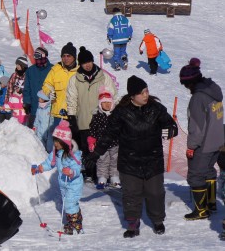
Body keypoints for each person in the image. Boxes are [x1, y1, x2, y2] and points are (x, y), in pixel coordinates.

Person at [86, 76, 177, 237]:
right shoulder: (121, 112)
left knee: (155, 193)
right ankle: (132, 223)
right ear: (133, 96)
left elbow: (171, 125)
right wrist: (96, 154)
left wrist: (170, 130)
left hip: (152, 159)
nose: (145, 95)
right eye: (142, 93)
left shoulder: (156, 108)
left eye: (147, 91)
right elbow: (108, 134)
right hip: (129, 161)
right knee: (131, 194)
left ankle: (157, 220)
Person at [179, 58, 225, 220]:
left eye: (185, 84)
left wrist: (191, 146)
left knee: (195, 175)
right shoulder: (213, 89)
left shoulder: (198, 98)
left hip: (204, 143)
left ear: (189, 83)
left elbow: (197, 127)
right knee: (209, 170)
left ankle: (201, 210)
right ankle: (211, 203)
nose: (186, 88)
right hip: (219, 139)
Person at [66, 46, 117, 177]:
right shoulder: (75, 79)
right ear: (80, 64)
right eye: (84, 63)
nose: (87, 65)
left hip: (102, 120)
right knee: (86, 147)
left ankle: (104, 175)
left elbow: (112, 95)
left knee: (104, 149)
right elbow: (71, 98)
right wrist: (71, 116)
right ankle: (90, 173)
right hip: (84, 120)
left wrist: (112, 113)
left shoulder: (103, 77)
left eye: (89, 62)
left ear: (93, 61)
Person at [31, 120, 84, 234]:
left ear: (65, 142)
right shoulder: (56, 152)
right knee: (68, 203)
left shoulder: (74, 154)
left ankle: (75, 223)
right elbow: (50, 162)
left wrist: (70, 172)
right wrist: (40, 168)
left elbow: (77, 169)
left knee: (70, 203)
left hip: (74, 183)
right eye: (55, 140)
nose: (55, 144)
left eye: (58, 141)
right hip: (63, 183)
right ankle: (74, 221)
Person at [88, 89, 119, 189]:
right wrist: (92, 141)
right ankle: (102, 178)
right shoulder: (97, 116)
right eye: (104, 103)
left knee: (115, 160)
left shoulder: (116, 115)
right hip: (101, 145)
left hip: (115, 143)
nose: (107, 105)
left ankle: (114, 177)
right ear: (100, 104)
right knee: (102, 161)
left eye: (109, 102)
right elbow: (92, 129)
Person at [42, 42, 78, 126]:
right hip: (58, 114)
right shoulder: (55, 70)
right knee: (58, 138)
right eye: (63, 56)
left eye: (68, 56)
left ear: (74, 57)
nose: (66, 58)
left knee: (75, 139)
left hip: (76, 114)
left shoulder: (80, 71)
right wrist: (49, 92)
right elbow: (46, 84)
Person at [23, 47, 53, 130]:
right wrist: (27, 102)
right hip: (34, 107)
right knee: (32, 133)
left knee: (47, 133)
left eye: (38, 56)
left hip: (49, 110)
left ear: (44, 56)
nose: (36, 58)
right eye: (35, 56)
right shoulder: (30, 70)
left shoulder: (53, 69)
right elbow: (27, 88)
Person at [4, 57, 28, 124]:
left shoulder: (28, 75)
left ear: (23, 66)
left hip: (24, 103)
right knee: (14, 120)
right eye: (16, 64)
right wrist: (7, 101)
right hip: (14, 102)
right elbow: (9, 88)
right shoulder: (14, 75)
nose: (17, 66)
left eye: (19, 64)